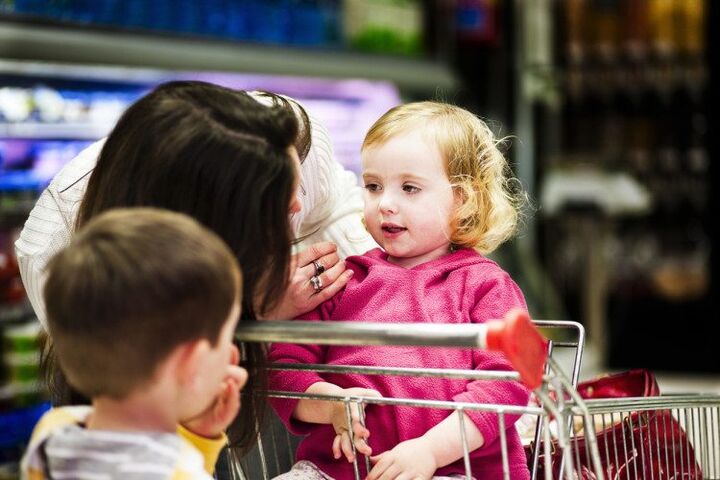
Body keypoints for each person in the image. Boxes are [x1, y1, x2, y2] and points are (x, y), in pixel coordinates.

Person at [13, 80, 374, 456]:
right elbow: (143, 421)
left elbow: (356, 236)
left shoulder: (288, 141)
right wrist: (254, 316)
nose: (298, 209)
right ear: (223, 227)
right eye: (280, 208)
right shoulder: (60, 263)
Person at [268, 101, 531, 480]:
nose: (385, 203)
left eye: (409, 188)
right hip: (335, 470)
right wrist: (332, 405)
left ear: (463, 199)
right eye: (373, 186)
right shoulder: (345, 280)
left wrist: (430, 451)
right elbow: (284, 368)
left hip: (455, 469)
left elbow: (508, 384)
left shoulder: (486, 285)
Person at [21, 208, 248, 479]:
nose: (232, 354)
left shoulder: (52, 433)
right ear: (192, 362)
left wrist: (198, 437)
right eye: (225, 338)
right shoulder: (181, 473)